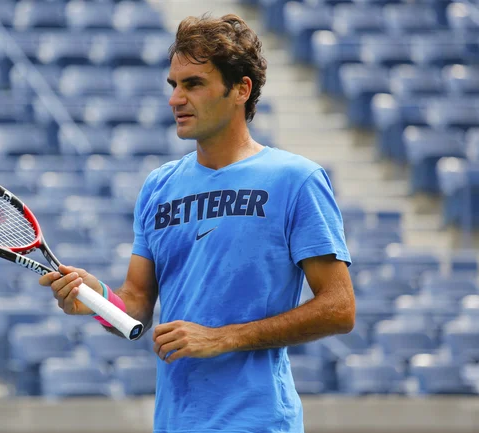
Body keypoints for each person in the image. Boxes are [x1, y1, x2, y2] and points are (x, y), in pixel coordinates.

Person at [40, 13, 355, 433]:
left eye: (193, 84)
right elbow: (135, 303)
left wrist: (224, 337)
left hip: (257, 423)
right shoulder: (158, 186)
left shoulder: (296, 180)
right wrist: (95, 300)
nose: (175, 99)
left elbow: (339, 308)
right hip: (175, 422)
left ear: (241, 89)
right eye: (173, 85)